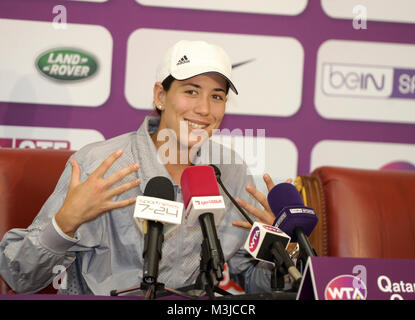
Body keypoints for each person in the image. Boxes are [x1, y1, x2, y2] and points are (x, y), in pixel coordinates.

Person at [0, 40, 279, 295]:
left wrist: (273, 249)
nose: (205, 109)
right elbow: (19, 276)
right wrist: (64, 224)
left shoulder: (231, 171)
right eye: (191, 91)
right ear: (160, 95)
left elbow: (255, 283)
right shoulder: (100, 165)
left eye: (217, 96)